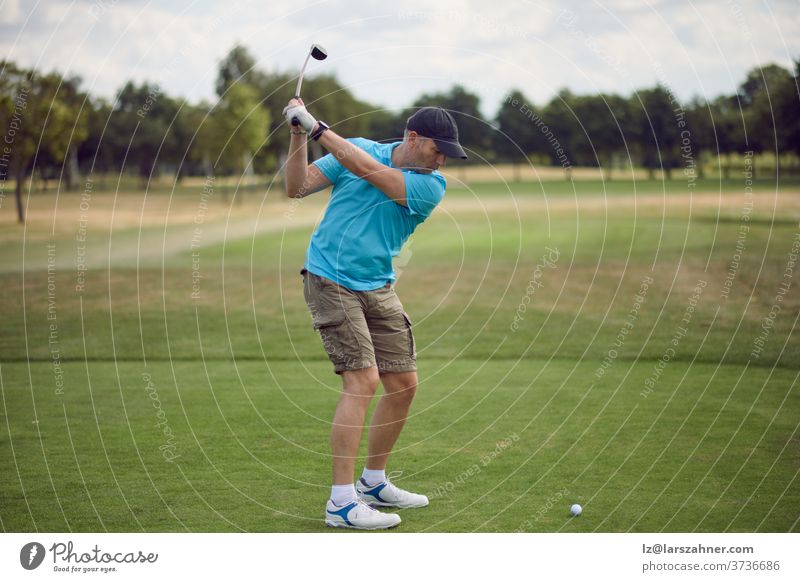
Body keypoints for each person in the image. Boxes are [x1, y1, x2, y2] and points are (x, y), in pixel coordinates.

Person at [282, 97, 467, 530]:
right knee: (363, 380)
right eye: (437, 150)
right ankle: (341, 503)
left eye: (447, 155)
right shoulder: (359, 146)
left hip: (377, 284)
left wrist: (316, 128)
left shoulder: (430, 185)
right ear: (413, 137)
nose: (442, 160)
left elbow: (370, 171)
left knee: (403, 383)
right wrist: (297, 136)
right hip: (329, 277)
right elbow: (297, 187)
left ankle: (373, 482)